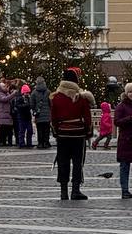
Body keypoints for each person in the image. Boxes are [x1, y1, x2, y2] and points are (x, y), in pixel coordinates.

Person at [50, 68, 95, 201]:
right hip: (78, 135)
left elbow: (53, 118)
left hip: (63, 134)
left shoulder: (56, 97)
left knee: (63, 162)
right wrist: (88, 132)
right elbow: (87, 118)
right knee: (77, 162)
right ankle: (76, 190)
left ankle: (63, 191)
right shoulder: (81, 97)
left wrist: (57, 131)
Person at [30, 75, 51, 149]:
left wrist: (35, 109)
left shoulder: (34, 93)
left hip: (38, 115)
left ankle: (40, 143)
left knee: (40, 129)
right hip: (47, 114)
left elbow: (32, 104)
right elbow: (51, 103)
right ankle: (46, 142)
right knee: (46, 129)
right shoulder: (48, 91)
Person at [0, 76, 14, 146]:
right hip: (2, 114)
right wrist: (13, 94)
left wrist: (10, 93)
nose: (5, 87)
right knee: (3, 128)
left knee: (7, 128)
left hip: (7, 114)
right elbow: (5, 99)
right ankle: (0, 141)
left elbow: (10, 100)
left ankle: (6, 141)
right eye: (3, 87)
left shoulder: (6, 93)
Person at [12, 83, 33, 148]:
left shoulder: (29, 99)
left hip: (28, 117)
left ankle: (29, 143)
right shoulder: (19, 98)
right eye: (26, 92)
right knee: (22, 131)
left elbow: (31, 106)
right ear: (23, 92)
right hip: (21, 117)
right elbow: (18, 106)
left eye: (28, 92)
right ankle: (21, 143)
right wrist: (26, 105)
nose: (27, 94)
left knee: (30, 131)